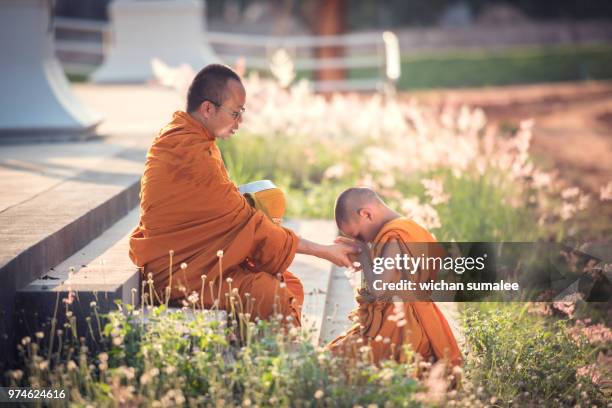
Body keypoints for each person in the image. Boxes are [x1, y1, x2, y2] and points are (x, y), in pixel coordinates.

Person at [129, 64, 358, 325]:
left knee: (286, 282)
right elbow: (248, 225)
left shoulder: (184, 136)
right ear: (207, 109)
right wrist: (323, 251)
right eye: (235, 113)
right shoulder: (189, 152)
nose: (240, 122)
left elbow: (224, 215)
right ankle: (277, 361)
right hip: (177, 274)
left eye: (242, 113)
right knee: (273, 296)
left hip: (194, 262)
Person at [328, 187, 462, 367]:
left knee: (339, 363)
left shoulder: (394, 237)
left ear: (366, 214)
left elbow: (378, 288)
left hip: (401, 328)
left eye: (358, 235)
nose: (361, 241)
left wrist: (364, 256)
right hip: (416, 319)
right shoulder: (410, 227)